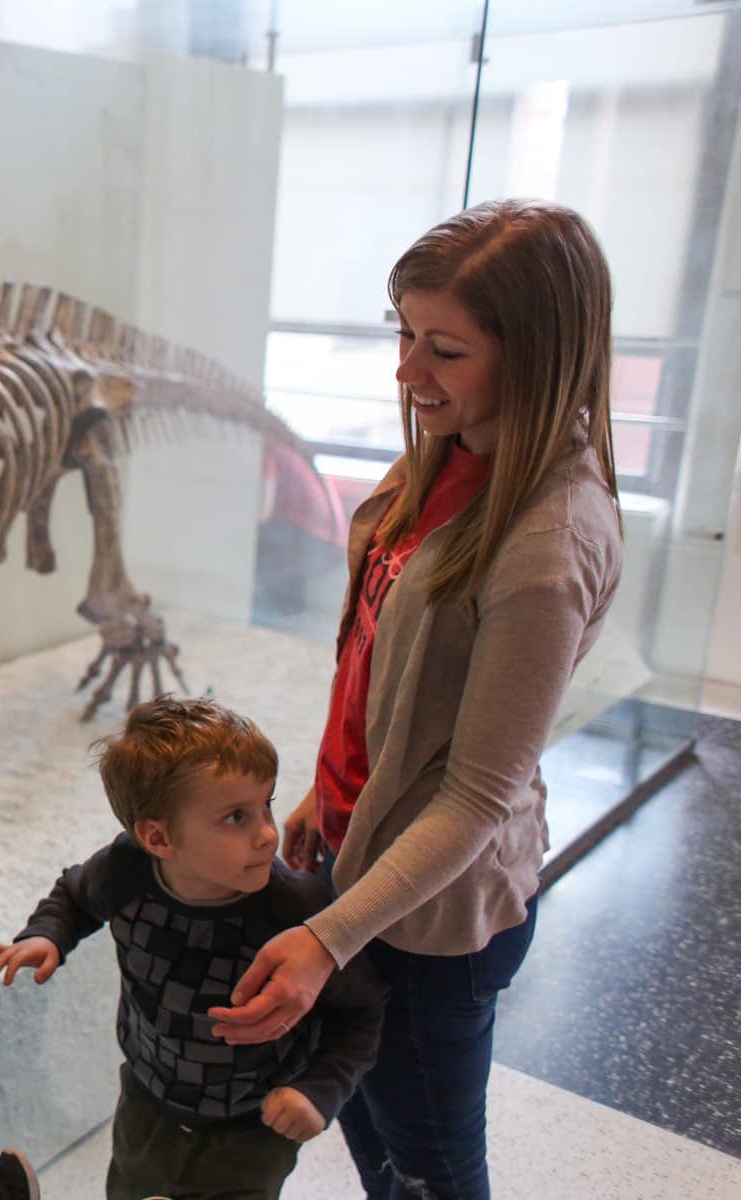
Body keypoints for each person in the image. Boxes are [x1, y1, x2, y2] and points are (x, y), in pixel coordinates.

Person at [207, 198, 624, 1200]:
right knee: (377, 1142)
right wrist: (329, 793)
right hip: (364, 868)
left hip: (430, 922)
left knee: (433, 1171)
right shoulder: (449, 450)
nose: (406, 372)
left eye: (444, 348)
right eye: (404, 333)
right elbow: (381, 674)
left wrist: (327, 934)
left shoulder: (547, 541)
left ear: (539, 355)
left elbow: (480, 793)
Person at [0, 697, 385, 1200]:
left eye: (267, 806)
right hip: (148, 1095)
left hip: (253, 1122)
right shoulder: (126, 868)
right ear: (158, 838)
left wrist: (318, 1090)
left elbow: (362, 1013)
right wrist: (46, 935)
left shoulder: (297, 910)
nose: (266, 835)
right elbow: (76, 895)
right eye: (236, 817)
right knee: (130, 1188)